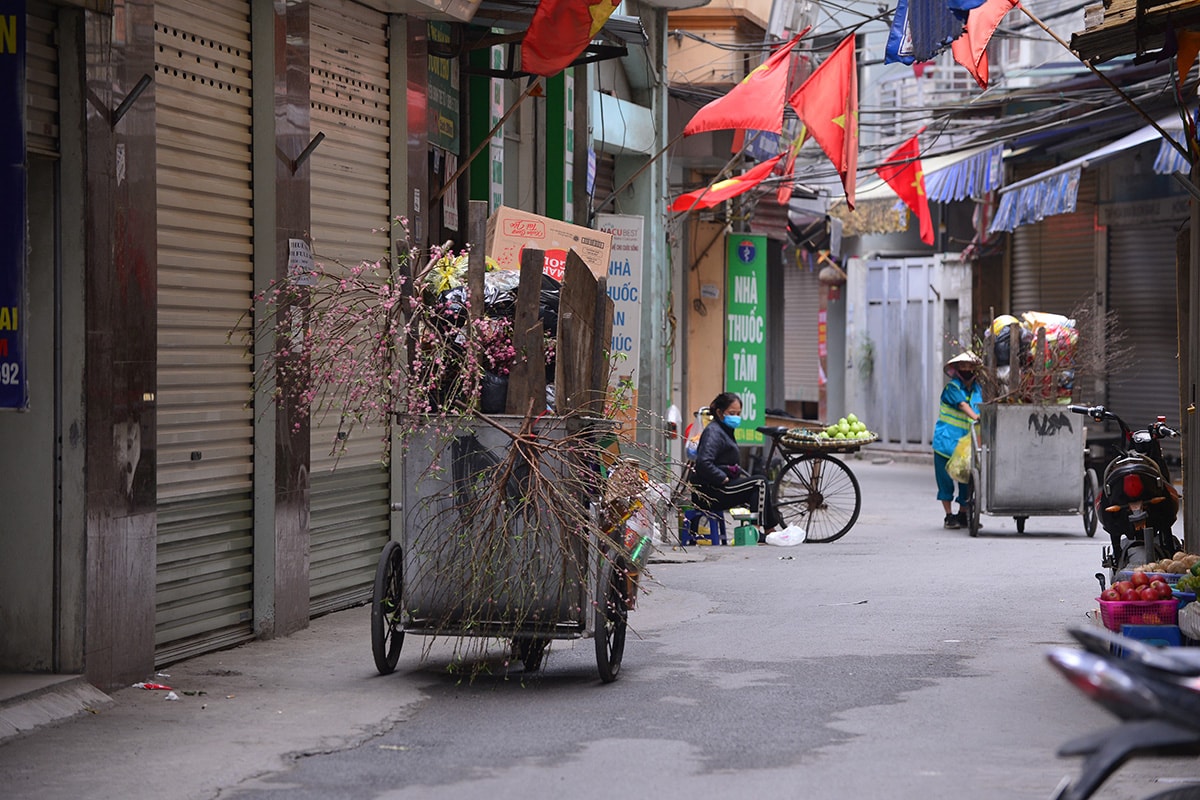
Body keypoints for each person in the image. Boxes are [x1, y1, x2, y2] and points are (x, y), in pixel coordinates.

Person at [691, 392, 790, 544]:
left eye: (738, 414)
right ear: (719, 413)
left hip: (721, 485)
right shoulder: (714, 432)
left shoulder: (724, 430)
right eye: (732, 413)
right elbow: (703, 463)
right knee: (760, 482)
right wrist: (722, 477)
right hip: (712, 491)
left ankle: (769, 530)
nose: (736, 417)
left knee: (758, 484)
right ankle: (757, 530)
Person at [933, 351, 983, 528]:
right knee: (945, 482)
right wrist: (977, 417)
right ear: (957, 369)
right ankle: (949, 516)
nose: (967, 369)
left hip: (966, 444)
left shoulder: (978, 389)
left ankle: (963, 513)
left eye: (970, 366)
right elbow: (963, 405)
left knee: (965, 480)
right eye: (963, 366)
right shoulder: (952, 388)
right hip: (945, 442)